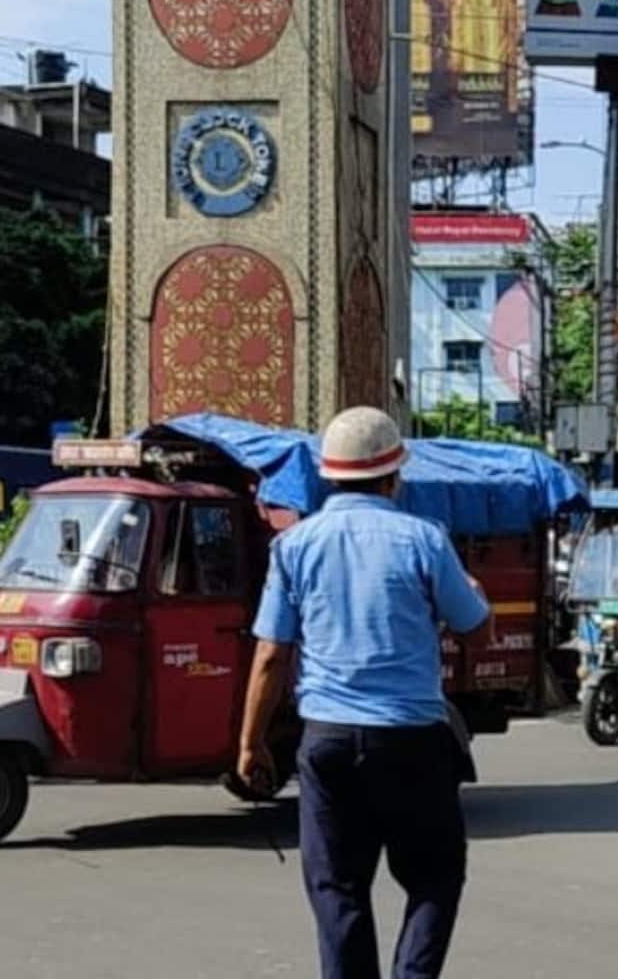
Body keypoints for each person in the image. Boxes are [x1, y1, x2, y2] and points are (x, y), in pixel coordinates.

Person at [236, 407, 493, 979]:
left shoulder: (295, 547)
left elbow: (272, 654)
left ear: (330, 475)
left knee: (338, 890)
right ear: (393, 475)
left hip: (327, 741)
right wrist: (473, 593)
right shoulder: (424, 540)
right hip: (414, 742)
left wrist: (250, 745)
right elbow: (475, 626)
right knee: (434, 877)